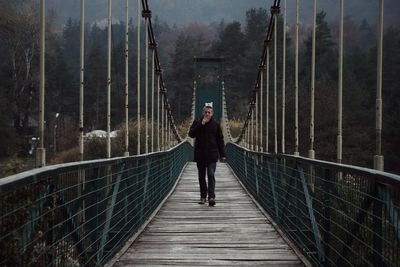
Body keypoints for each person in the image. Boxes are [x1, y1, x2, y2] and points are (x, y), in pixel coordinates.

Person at [188, 102, 226, 206]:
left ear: (212, 113)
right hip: (200, 155)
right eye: (205, 112)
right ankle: (203, 197)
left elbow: (220, 140)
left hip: (212, 155)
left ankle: (211, 197)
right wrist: (201, 124)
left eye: (209, 112)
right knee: (201, 177)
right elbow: (191, 134)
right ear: (202, 112)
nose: (207, 114)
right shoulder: (197, 122)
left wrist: (222, 154)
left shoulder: (216, 125)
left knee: (211, 174)